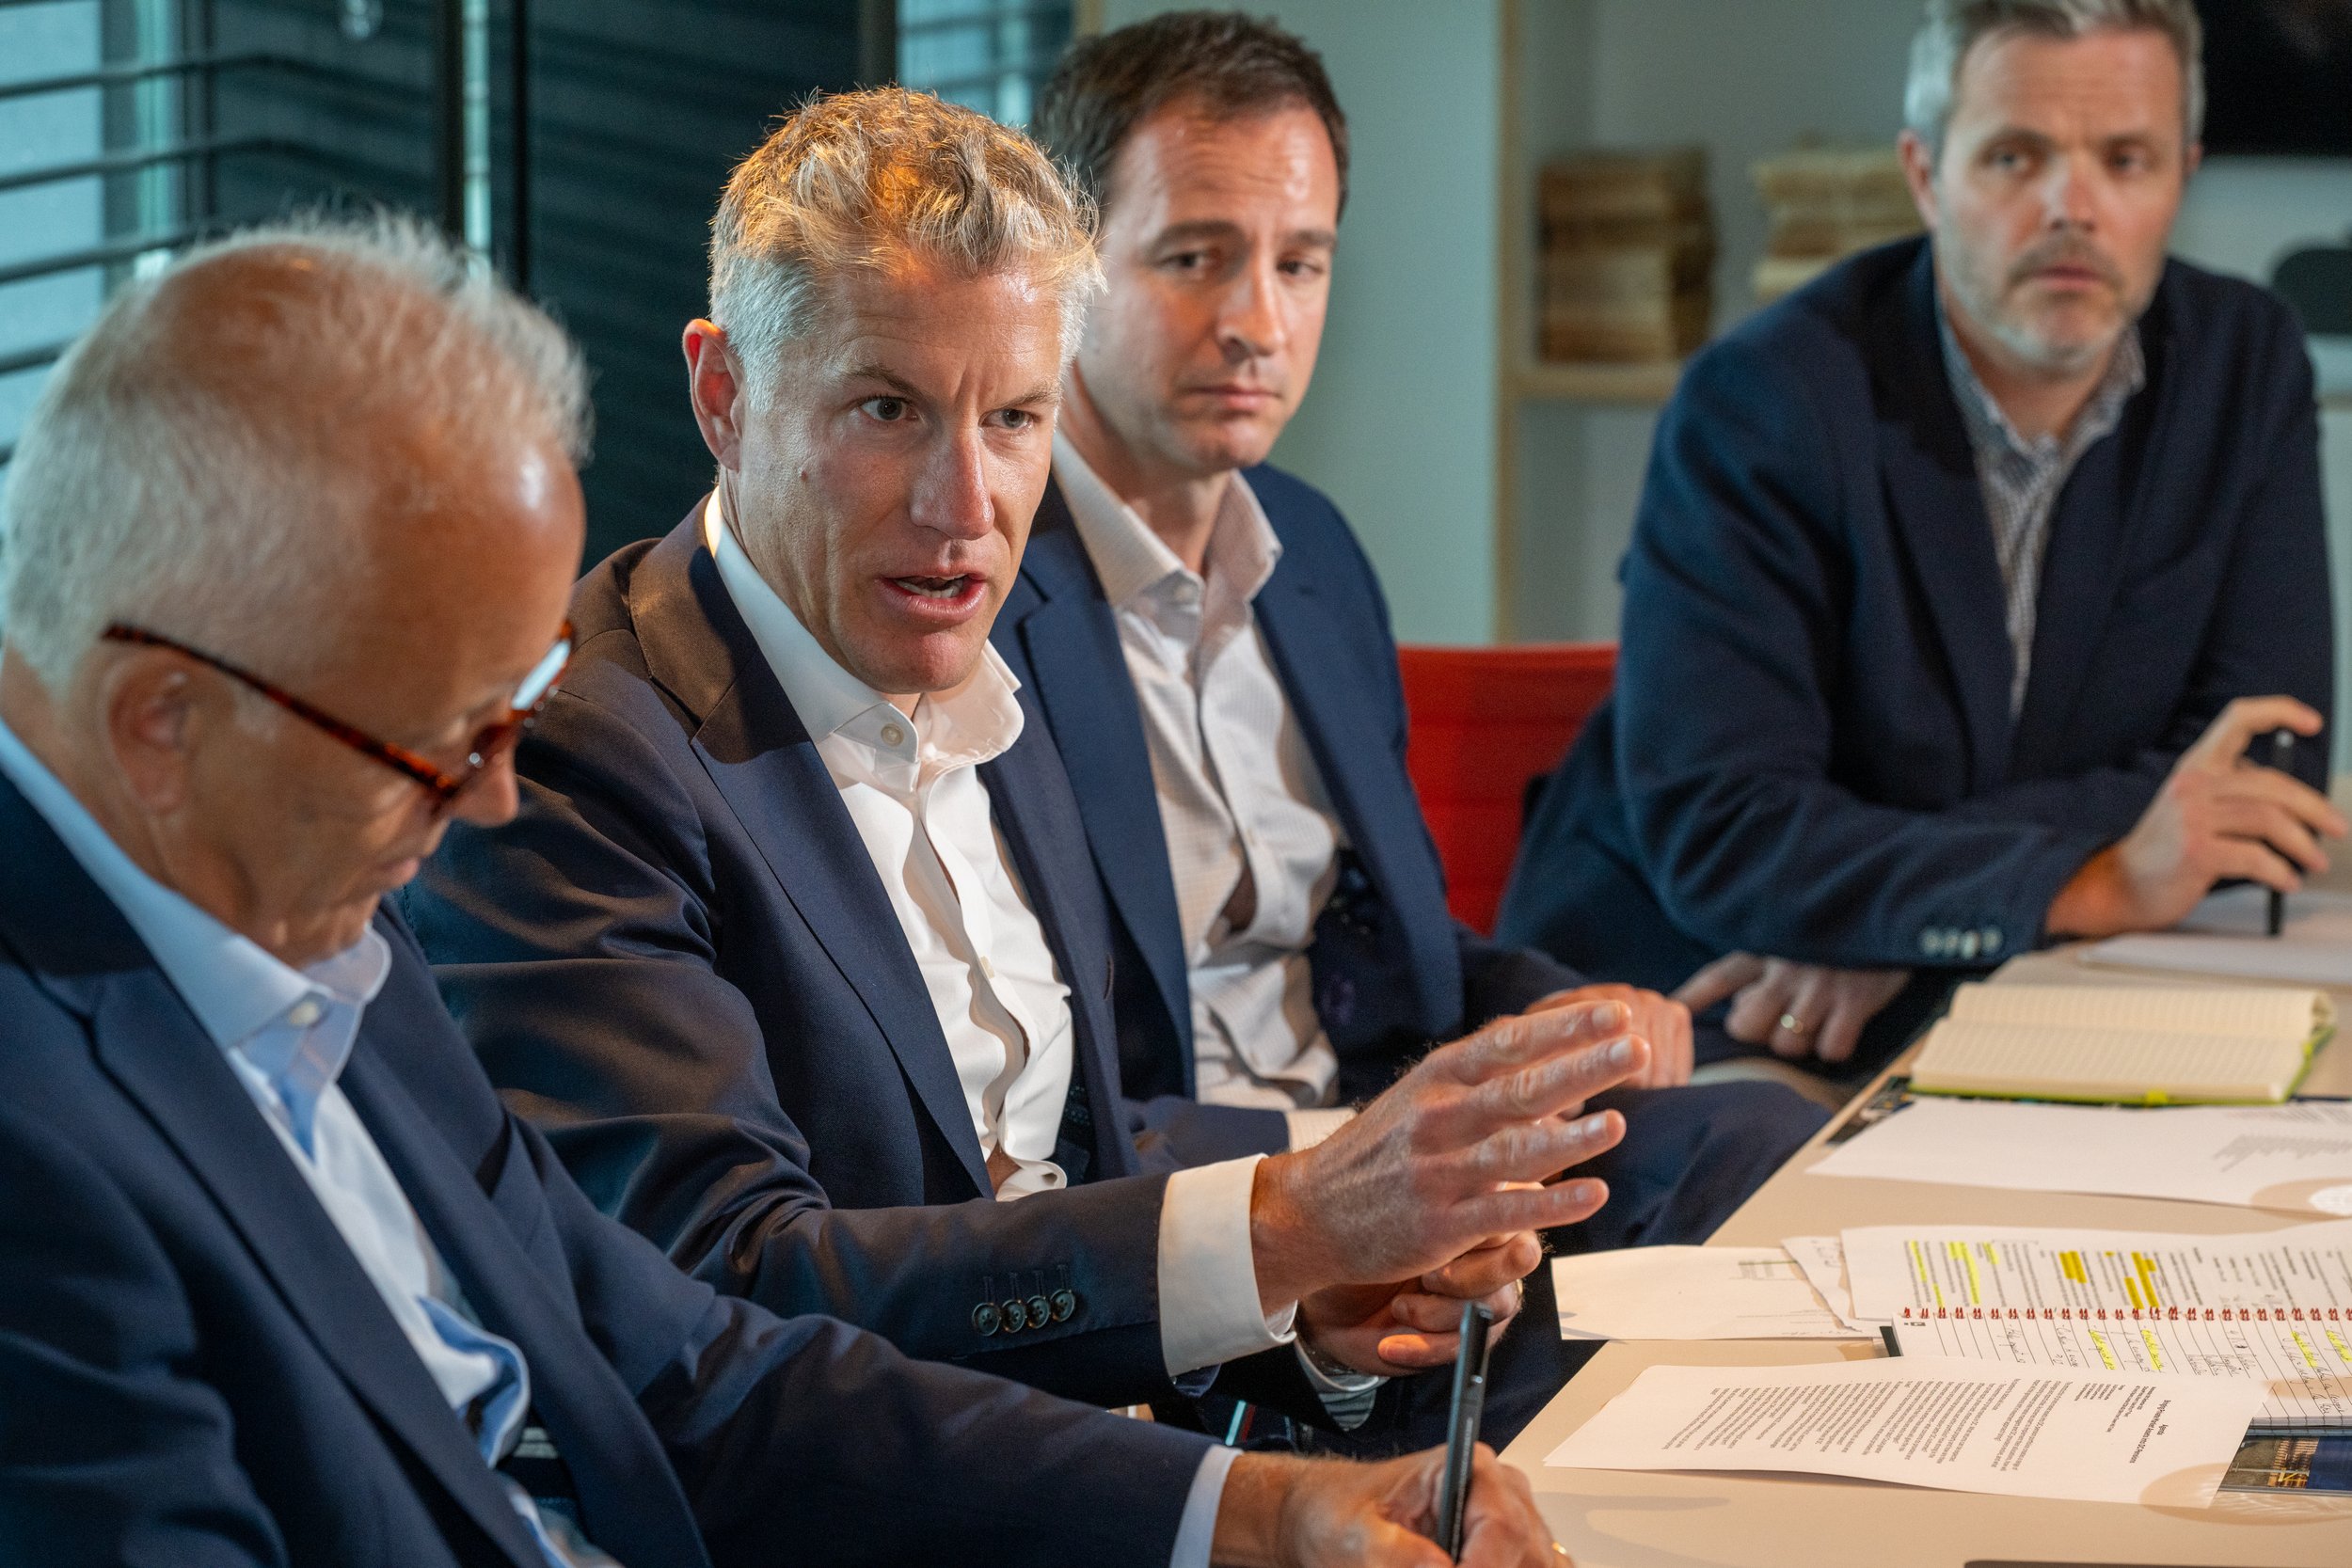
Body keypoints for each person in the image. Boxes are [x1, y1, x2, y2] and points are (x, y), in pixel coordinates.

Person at [0, 216, 1566, 1566]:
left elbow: (692, 1369)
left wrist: (1251, 1510)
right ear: (160, 724)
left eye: (1016, 416)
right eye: (437, 739)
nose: (484, 790)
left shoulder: (319, 938)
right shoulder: (45, 1143)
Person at [406, 87, 1642, 1446]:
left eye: (1012, 419)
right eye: (888, 409)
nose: (968, 507)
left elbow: (1080, 1185)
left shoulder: (985, 681)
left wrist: (1313, 1306)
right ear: (723, 394)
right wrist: (1283, 1221)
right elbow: (730, 1288)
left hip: (1099, 1462)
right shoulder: (583, 759)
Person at [991, 11, 1828, 1441]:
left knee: (1773, 1143)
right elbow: (1034, 1094)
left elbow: (1397, 954)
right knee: (1610, 1360)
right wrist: (1353, 1168)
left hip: (1396, 1132)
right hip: (1214, 1208)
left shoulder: (1310, 552)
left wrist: (1555, 1015)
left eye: (1300, 262)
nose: (1259, 317)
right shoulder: (983, 590)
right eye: (1196, 256)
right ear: (1068, 275)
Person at [1500, 0, 2338, 1076]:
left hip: (1985, 983)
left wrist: (1902, 916)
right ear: (1924, 174)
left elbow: (2266, 767)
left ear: (2183, 171)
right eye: (2012, 156)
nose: (2070, 207)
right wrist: (2081, 881)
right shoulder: (1762, 398)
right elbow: (1726, 829)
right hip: (1706, 1005)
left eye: (2124, 159)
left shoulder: (2244, 362)